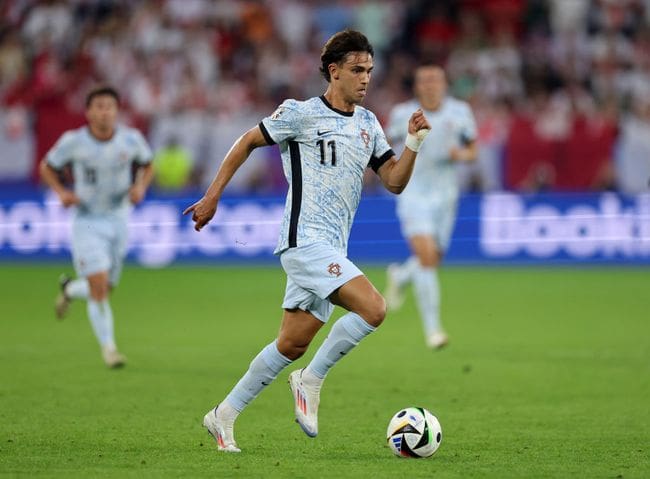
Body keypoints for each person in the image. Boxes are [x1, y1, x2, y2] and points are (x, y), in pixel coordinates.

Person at [184, 30, 431, 453]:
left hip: (332, 250)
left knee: (292, 343)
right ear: (333, 72)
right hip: (303, 242)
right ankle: (311, 380)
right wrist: (212, 196)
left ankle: (222, 417)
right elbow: (247, 141)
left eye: (369, 70)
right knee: (374, 308)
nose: (365, 79)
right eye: (357, 70)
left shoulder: (369, 124)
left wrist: (413, 144)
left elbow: (393, 181)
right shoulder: (299, 114)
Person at [39, 85, 154, 368]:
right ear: (89, 112)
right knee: (100, 287)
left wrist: (140, 186)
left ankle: (69, 290)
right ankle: (109, 349)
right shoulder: (73, 142)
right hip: (87, 220)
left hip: (119, 217)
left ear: (117, 111)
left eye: (109, 106)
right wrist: (61, 192)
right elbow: (46, 167)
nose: (104, 112)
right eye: (99, 106)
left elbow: (148, 164)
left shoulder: (131, 139)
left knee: (104, 288)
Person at [384, 64, 477, 349]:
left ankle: (400, 276)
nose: (430, 85)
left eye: (436, 79)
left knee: (433, 258)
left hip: (446, 197)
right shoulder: (402, 114)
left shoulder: (460, 112)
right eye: (424, 80)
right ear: (416, 86)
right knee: (426, 256)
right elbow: (384, 146)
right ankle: (433, 331)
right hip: (413, 193)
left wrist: (459, 154)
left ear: (445, 83)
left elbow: (473, 150)